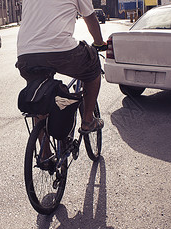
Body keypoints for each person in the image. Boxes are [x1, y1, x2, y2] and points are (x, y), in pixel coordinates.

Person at [16, 0, 107, 134]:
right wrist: (99, 42)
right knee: (92, 66)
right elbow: (90, 16)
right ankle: (88, 121)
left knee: (39, 98)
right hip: (60, 50)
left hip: (26, 54)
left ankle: (45, 154)